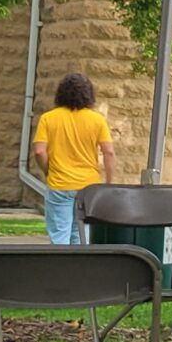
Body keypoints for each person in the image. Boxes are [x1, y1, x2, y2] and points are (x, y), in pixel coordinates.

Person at [31, 73, 115, 245]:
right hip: (88, 186)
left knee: (59, 235)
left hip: (59, 184)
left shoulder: (48, 118)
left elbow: (39, 151)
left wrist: (48, 170)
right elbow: (109, 152)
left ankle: (60, 270)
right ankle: (80, 270)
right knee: (81, 235)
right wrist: (108, 182)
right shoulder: (97, 120)